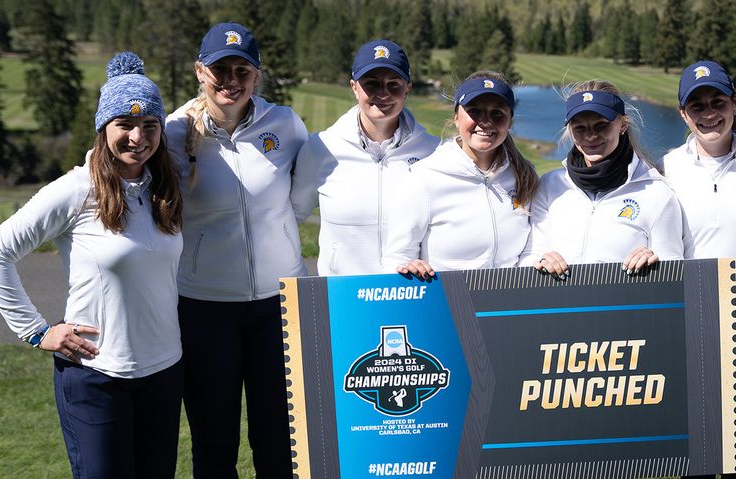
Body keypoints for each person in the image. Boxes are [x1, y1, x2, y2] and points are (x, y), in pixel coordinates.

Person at [0, 52, 183, 478]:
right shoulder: (76, 190)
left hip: (163, 373)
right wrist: (36, 331)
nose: (137, 138)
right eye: (124, 124)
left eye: (149, 126)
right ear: (103, 128)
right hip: (96, 376)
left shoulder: (165, 187)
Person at [163, 22, 308, 477]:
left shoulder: (284, 123)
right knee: (213, 441)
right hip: (205, 307)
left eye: (241, 70)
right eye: (219, 69)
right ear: (199, 71)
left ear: (256, 76)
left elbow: (301, 197)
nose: (230, 80)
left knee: (281, 441)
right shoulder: (171, 132)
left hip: (280, 305)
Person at [660, 60, 736, 479]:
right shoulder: (668, 169)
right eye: (697, 106)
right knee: (694, 454)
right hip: (689, 330)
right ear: (683, 114)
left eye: (717, 101)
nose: (709, 113)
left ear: (734, 103)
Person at [291, 39, 441, 276]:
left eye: (394, 85)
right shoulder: (321, 147)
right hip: (344, 298)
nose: (383, 94)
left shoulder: (433, 152)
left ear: (408, 88)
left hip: (411, 296)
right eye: (371, 84)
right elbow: (291, 217)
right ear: (354, 87)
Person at [388, 72, 538, 277]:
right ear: (456, 118)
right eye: (475, 111)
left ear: (510, 121)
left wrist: (540, 261)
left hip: (506, 305)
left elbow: (528, 253)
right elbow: (396, 258)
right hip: (444, 305)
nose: (486, 122)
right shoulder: (423, 179)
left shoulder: (524, 176)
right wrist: (408, 269)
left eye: (497, 113)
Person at [526, 81, 684, 276]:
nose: (591, 136)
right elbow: (532, 254)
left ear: (622, 125)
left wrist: (655, 263)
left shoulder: (657, 193)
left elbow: (673, 274)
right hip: (561, 305)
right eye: (580, 128)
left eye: (601, 125)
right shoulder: (551, 185)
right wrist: (540, 260)